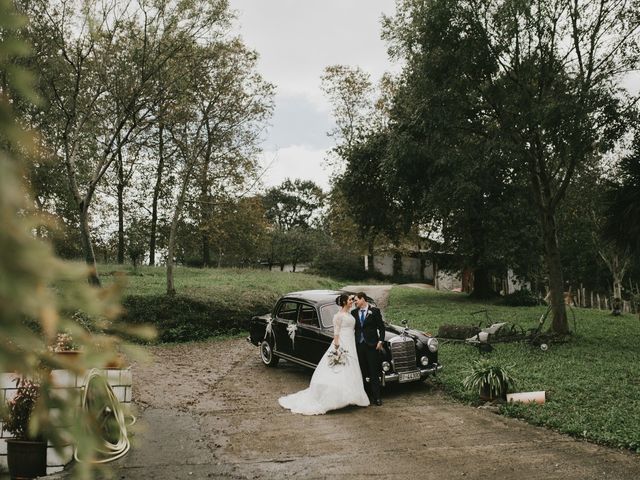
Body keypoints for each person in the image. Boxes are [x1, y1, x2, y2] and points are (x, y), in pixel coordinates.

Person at [278, 293, 370, 415]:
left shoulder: (350, 313)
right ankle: (337, 398)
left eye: (352, 300)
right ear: (343, 302)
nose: (351, 301)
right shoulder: (338, 316)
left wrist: (353, 297)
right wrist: (337, 348)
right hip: (342, 342)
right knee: (338, 368)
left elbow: (356, 309)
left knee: (351, 368)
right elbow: (336, 333)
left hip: (351, 341)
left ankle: (353, 396)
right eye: (349, 300)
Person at [352, 291, 385, 406]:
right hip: (359, 346)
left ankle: (377, 398)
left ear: (363, 299)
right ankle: (364, 396)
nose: (355, 302)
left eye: (356, 300)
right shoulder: (353, 313)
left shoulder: (374, 311)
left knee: (374, 372)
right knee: (361, 371)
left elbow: (381, 328)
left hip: (372, 346)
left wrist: (380, 340)